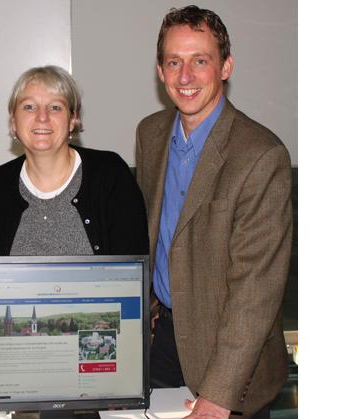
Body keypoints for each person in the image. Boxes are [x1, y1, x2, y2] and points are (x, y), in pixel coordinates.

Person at [135, 6, 292, 419]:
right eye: (174, 62)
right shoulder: (150, 135)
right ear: (160, 70)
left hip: (233, 359)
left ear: (225, 66)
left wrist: (220, 395)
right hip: (163, 343)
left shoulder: (261, 155)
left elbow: (255, 291)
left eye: (199, 61)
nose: (185, 77)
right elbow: (152, 235)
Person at [0, 65, 149, 258]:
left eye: (55, 107)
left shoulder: (111, 176)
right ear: (13, 121)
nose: (42, 117)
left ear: (72, 120)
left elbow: (132, 275)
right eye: (29, 107)